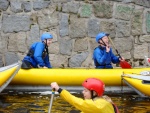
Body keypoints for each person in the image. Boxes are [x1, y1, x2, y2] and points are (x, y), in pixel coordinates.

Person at [50, 78, 120, 113]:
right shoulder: (102, 100)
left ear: (94, 93)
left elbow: (77, 102)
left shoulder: (99, 106)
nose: (83, 92)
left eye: (86, 91)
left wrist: (59, 90)